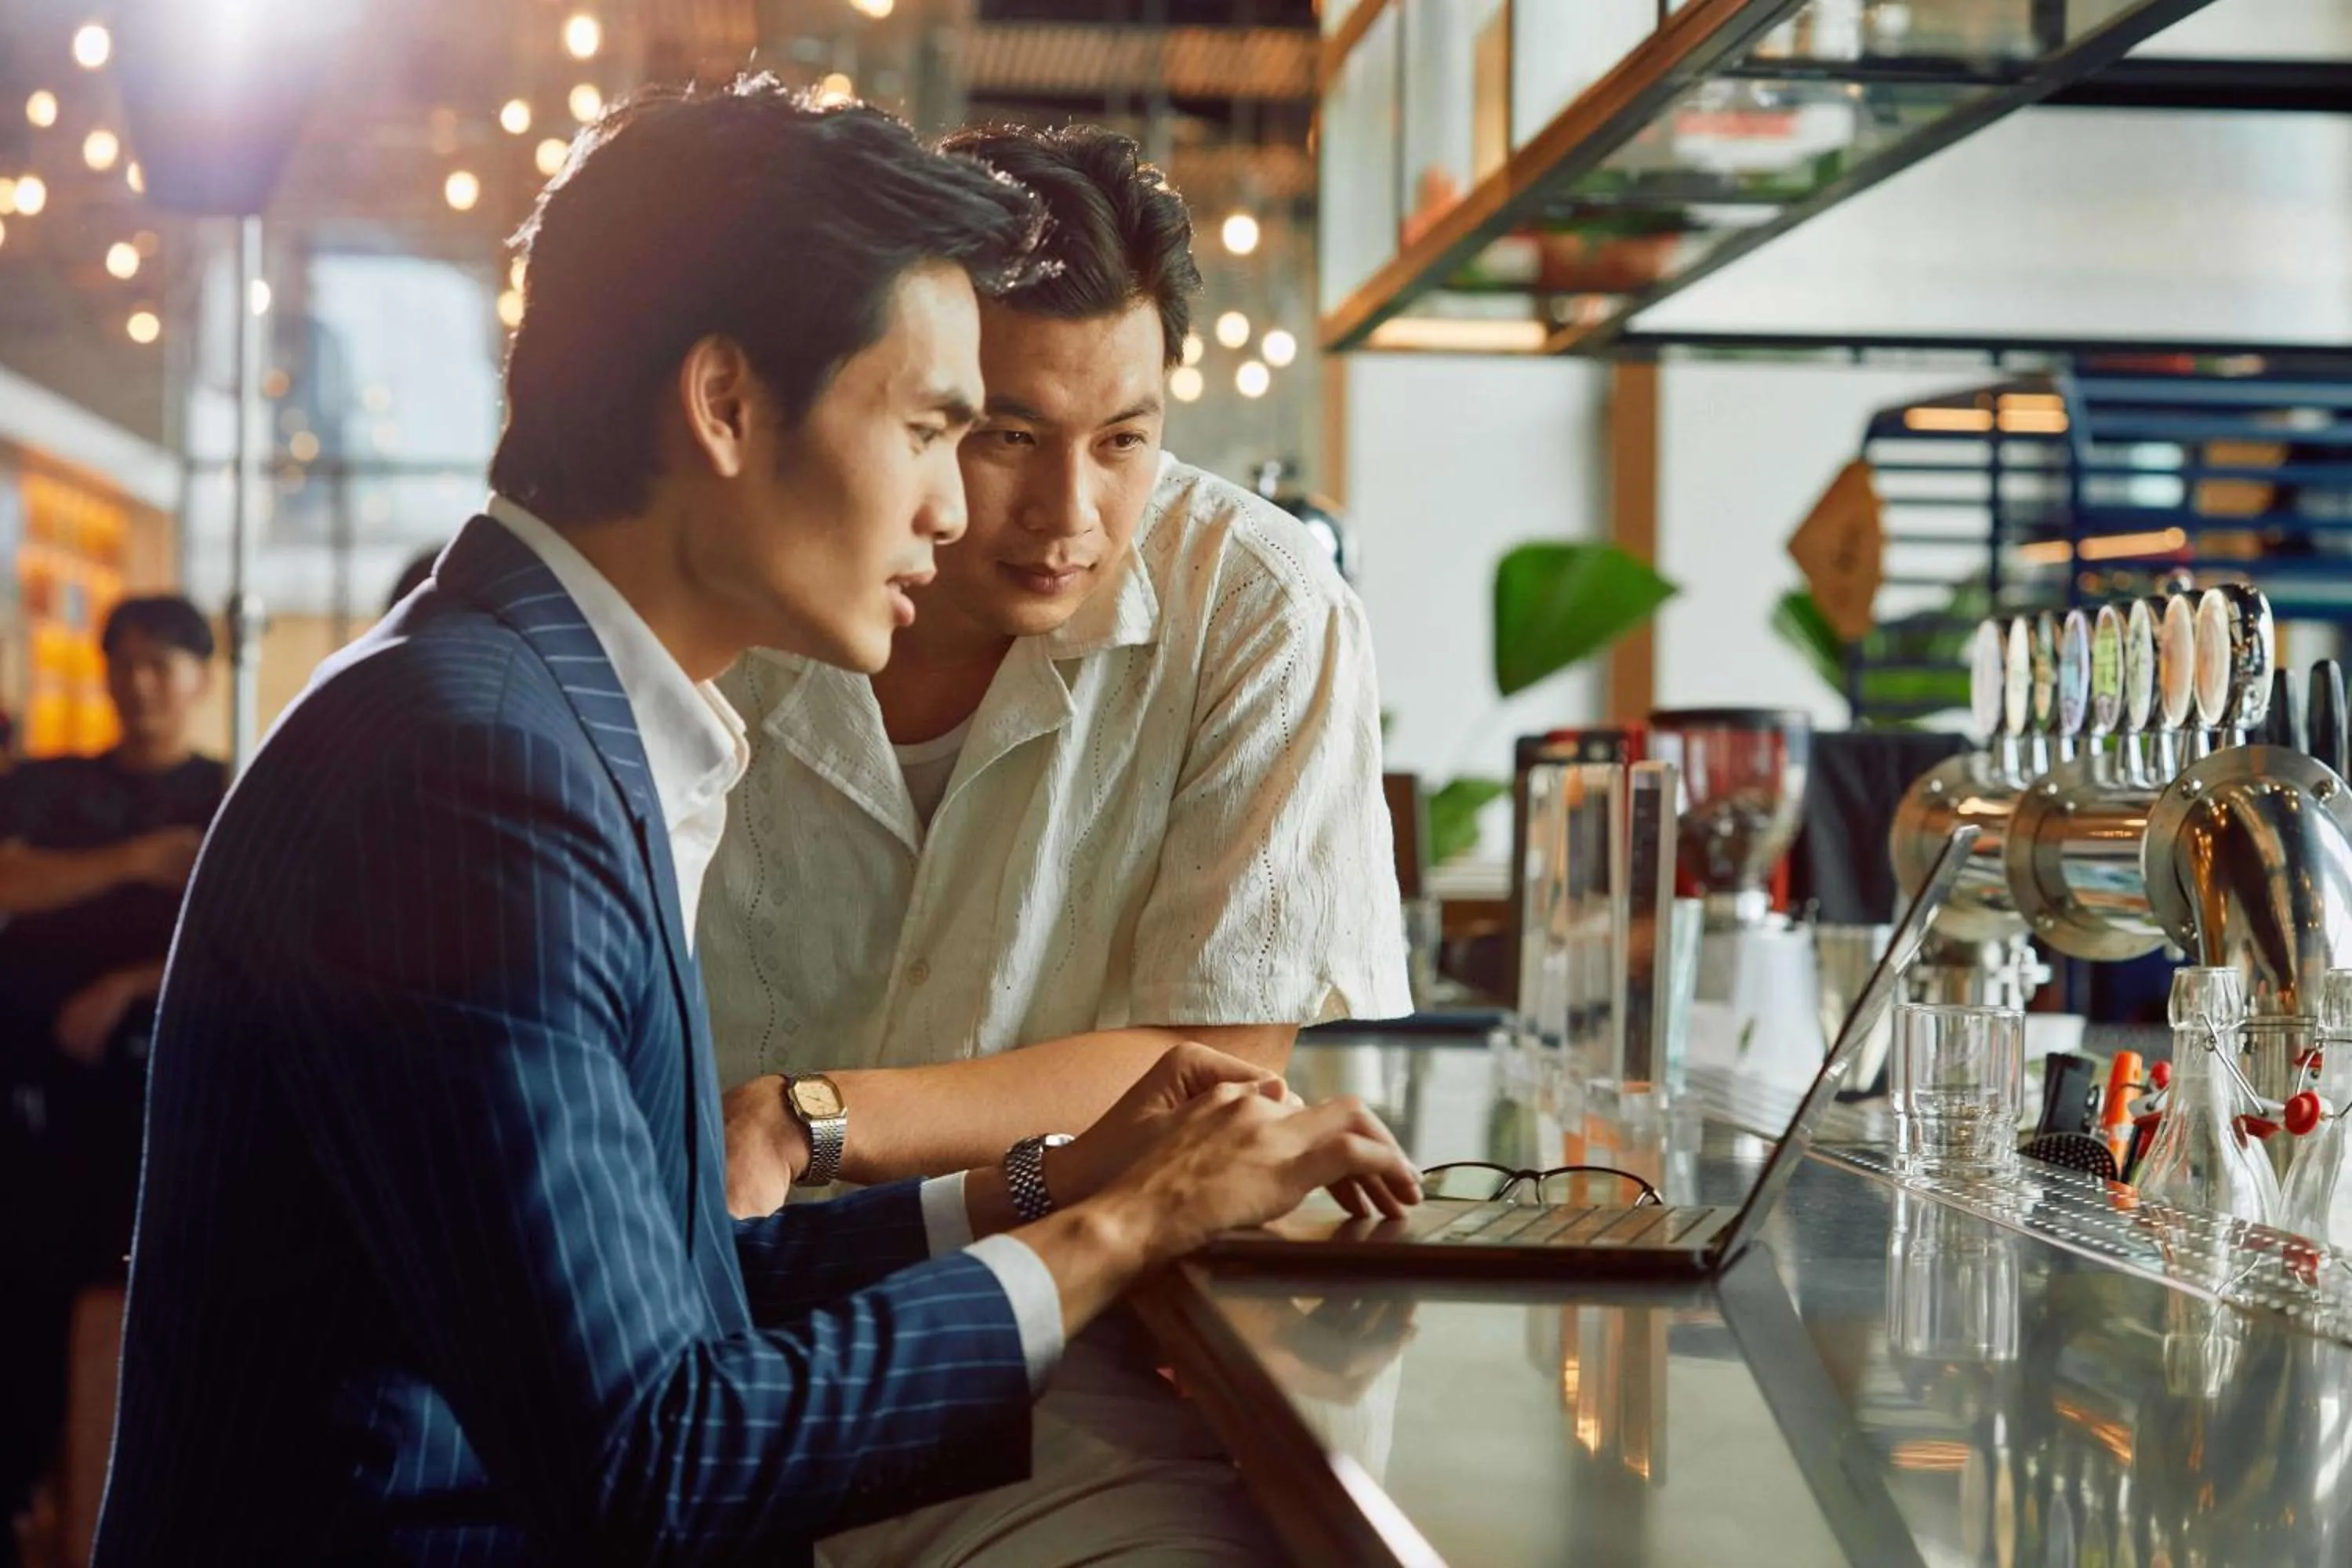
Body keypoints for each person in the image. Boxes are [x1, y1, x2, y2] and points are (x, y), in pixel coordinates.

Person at [93, 80, 1416, 1566]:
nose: (951, 510)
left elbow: (674, 1289)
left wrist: (1063, 1179)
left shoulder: (524, 708)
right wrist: (1115, 1233)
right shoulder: (476, 779)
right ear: (724, 406)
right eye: (934, 427)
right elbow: (657, 1464)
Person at [693, 123, 1410, 1565]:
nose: (1069, 517)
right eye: (1007, 435)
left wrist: (807, 1115)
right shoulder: (753, 581)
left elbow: (1214, 1059)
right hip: (718, 1324)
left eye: (1126, 440)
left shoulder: (1258, 608)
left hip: (1073, 1354)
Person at [0, 595, 224, 1563]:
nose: (140, 684)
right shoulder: (50, 785)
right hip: (27, 1094)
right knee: (21, 1312)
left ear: (202, 678)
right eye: (125, 663)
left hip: (154, 1104)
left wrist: (133, 983)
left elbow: (253, 942)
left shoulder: (232, 790)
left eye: (161, 665)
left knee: (142, 1315)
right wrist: (135, 860)